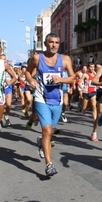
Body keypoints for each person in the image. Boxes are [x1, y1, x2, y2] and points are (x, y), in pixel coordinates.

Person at [25, 33, 75, 176]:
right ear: (46, 44)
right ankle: (49, 164)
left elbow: (72, 77)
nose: (54, 45)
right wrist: (31, 81)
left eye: (56, 42)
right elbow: (28, 72)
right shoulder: (37, 58)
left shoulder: (65, 59)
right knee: (46, 130)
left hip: (57, 100)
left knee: (50, 131)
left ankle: (41, 142)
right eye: (51, 42)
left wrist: (60, 79)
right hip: (41, 98)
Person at [1, 55, 13, 126]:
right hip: (0, 88)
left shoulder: (9, 67)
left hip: (8, 87)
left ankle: (6, 115)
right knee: (1, 105)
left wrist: (10, 82)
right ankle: (0, 117)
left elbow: (14, 78)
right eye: (2, 60)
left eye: (4, 59)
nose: (3, 61)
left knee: (8, 104)